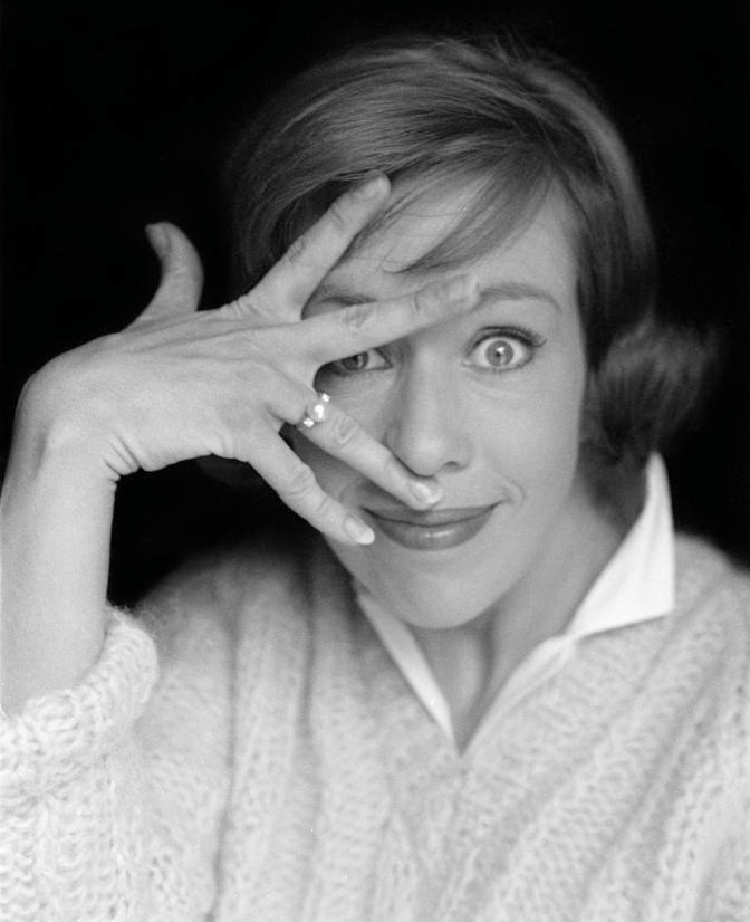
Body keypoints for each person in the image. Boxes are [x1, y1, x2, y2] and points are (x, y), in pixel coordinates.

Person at [1, 32, 748, 922]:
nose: (423, 447)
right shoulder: (218, 646)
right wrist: (65, 443)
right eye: (356, 352)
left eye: (500, 347)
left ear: (603, 366)